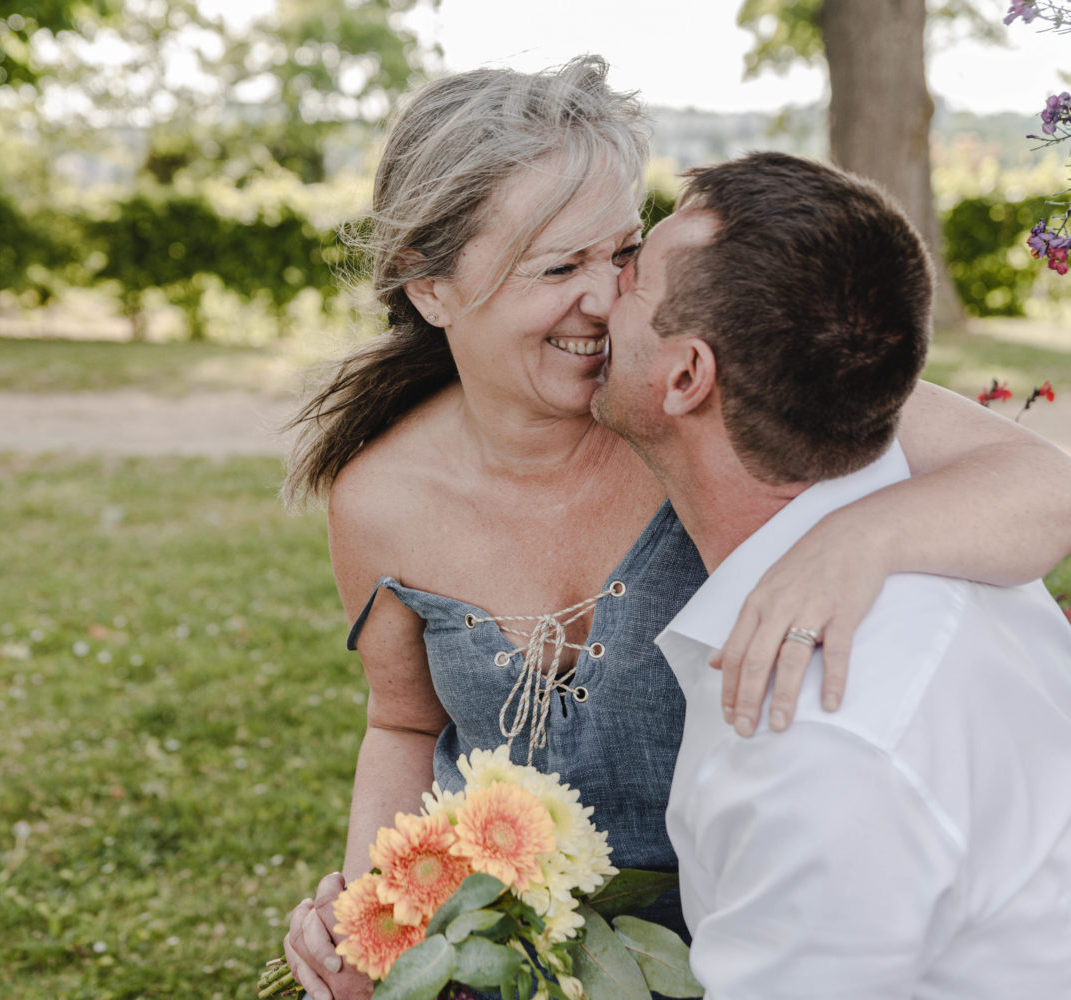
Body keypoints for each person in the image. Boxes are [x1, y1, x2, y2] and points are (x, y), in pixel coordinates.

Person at [280, 57, 1071, 1000]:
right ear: (430, 288)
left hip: (774, 933)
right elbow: (403, 722)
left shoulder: (708, 410)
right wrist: (386, 925)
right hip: (516, 964)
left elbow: (1044, 483)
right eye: (559, 266)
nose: (607, 297)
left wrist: (858, 540)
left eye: (622, 251)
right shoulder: (378, 497)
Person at [592, 150, 1071, 996]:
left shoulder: (812, 738)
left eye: (632, 275)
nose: (602, 291)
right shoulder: (938, 519)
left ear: (688, 374)